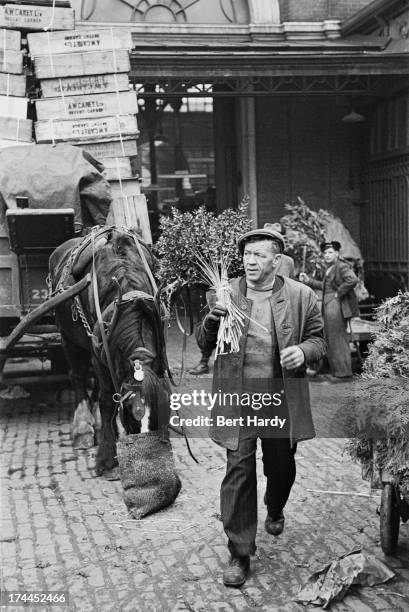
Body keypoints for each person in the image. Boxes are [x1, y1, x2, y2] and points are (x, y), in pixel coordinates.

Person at [196, 226, 326, 587]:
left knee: (281, 466)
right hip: (238, 397)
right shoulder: (223, 293)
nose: (249, 262)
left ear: (276, 260)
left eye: (259, 255)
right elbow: (202, 342)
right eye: (246, 255)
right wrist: (211, 319)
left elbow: (319, 340)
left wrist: (302, 351)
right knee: (238, 471)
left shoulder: (300, 296)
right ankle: (239, 551)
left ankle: (275, 504)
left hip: (280, 399)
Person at [188, 223, 295, 376]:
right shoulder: (249, 260)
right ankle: (204, 360)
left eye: (276, 236)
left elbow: (291, 282)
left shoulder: (288, 262)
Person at [299, 241, 359, 382]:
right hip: (328, 305)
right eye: (325, 253)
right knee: (331, 339)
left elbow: (353, 280)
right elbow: (325, 286)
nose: (327, 255)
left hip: (336, 306)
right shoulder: (331, 268)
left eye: (330, 252)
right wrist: (309, 281)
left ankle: (343, 373)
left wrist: (339, 293)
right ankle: (337, 372)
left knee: (337, 338)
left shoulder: (341, 266)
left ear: (337, 254)